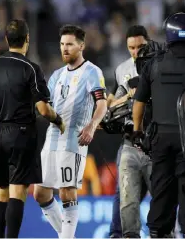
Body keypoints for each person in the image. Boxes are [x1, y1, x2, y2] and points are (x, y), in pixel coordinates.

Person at [0, 19, 65, 238]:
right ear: (27, 39)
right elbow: (44, 109)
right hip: (22, 134)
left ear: (6, 39)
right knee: (18, 191)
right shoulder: (30, 68)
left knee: (1, 192)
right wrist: (59, 120)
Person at [132, 12, 185, 238]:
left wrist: (137, 131)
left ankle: (159, 231)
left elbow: (139, 103)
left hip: (160, 138)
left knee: (161, 187)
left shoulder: (153, 65)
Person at [33, 24, 108, 239]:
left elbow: (101, 104)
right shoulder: (56, 75)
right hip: (52, 136)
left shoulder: (92, 72)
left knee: (67, 191)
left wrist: (92, 125)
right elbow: (48, 106)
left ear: (81, 46)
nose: (65, 49)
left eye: (70, 44)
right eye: (62, 44)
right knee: (40, 193)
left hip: (74, 138)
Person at [106, 25, 150, 238]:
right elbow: (112, 103)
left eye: (140, 46)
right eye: (131, 47)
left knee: (163, 194)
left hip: (155, 139)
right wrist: (126, 97)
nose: (136, 52)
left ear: (149, 44)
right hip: (131, 137)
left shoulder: (159, 65)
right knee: (124, 193)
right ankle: (116, 233)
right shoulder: (122, 70)